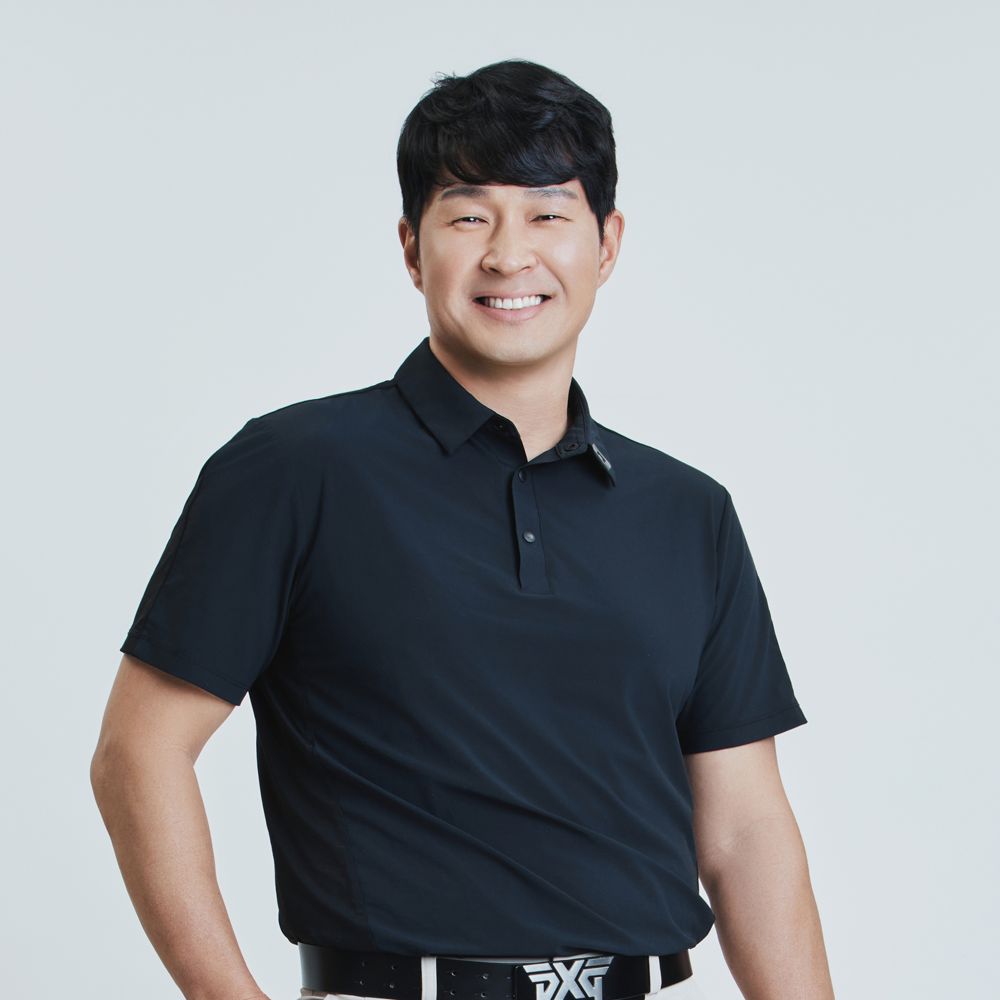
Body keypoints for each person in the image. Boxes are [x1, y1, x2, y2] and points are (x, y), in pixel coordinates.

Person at [91, 60, 835, 1000]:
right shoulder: (294, 470)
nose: (510, 255)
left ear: (607, 244)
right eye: (469, 216)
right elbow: (139, 753)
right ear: (412, 248)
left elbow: (745, 828)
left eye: (548, 214)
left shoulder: (689, 513)